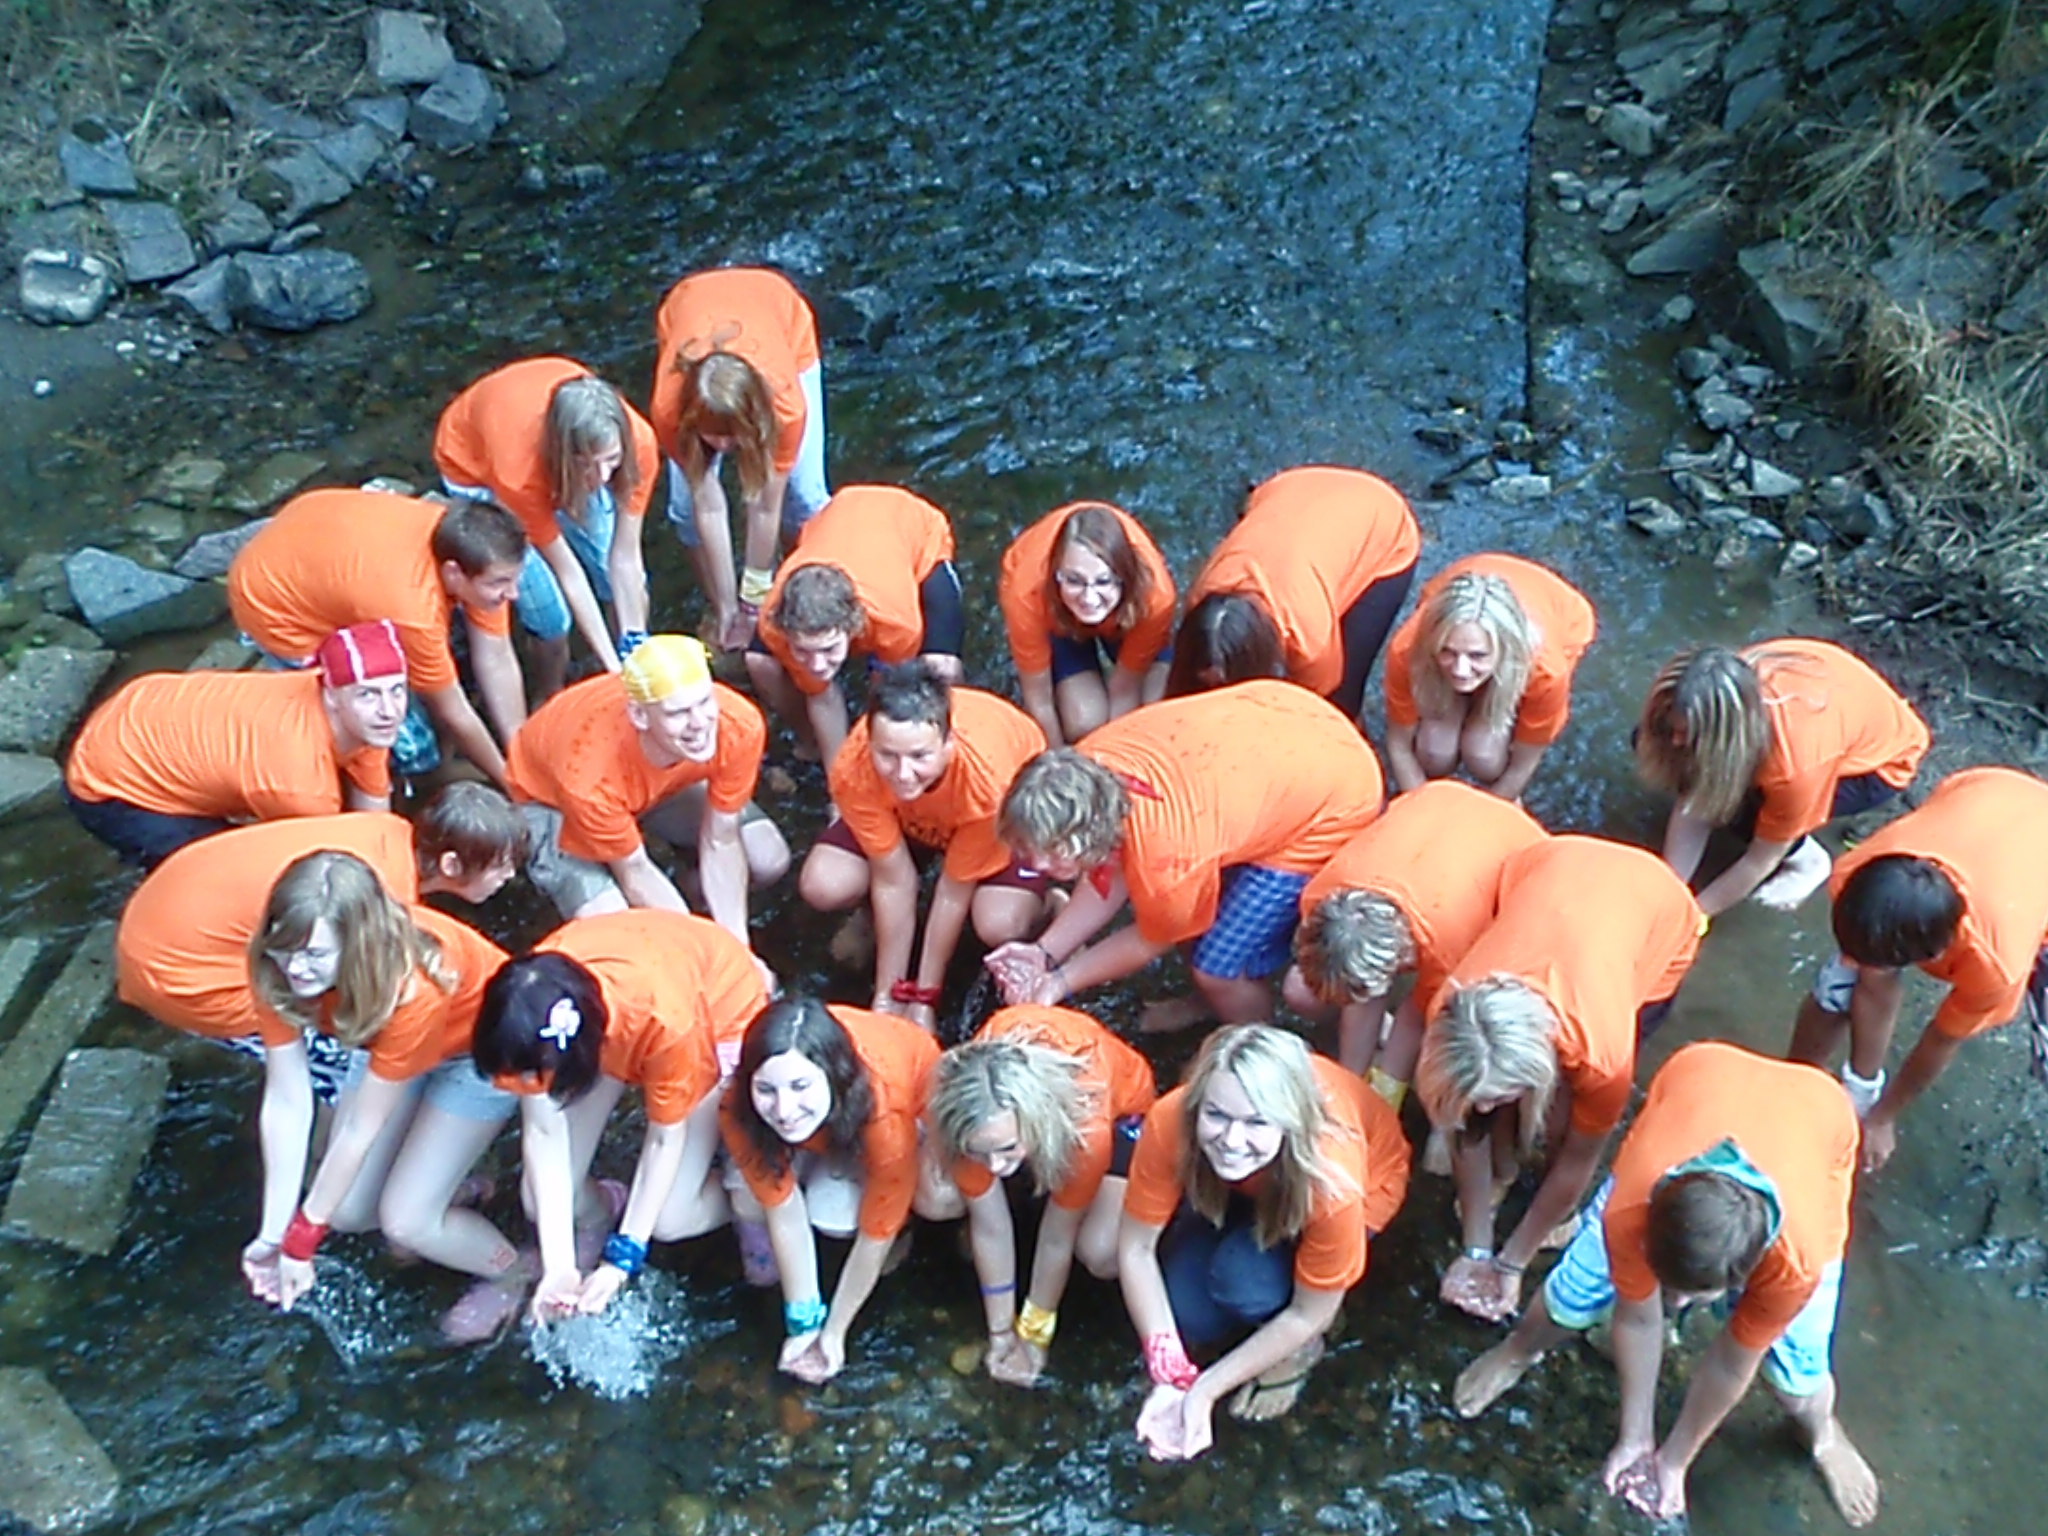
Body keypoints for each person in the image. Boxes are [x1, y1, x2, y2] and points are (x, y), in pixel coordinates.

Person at [1451, 1042, 1879, 1528]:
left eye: (1689, 1296)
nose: (1672, 1303)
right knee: (1570, 1297)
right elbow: (1638, 1316)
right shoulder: (1633, 1206)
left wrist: (1676, 1460)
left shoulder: (1795, 1263)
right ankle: (1518, 1350)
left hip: (1822, 1117)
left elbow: (1732, 1362)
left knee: (1797, 1378)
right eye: (1667, 1287)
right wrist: (1635, 1437)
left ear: (1746, 1278)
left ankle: (1823, 1433)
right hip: (1700, 1074)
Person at [1416, 834, 1702, 1324]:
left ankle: (1549, 1206)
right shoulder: (1451, 1008)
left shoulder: (1603, 1056)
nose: (1482, 1108)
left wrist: (1513, 1263)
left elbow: (1578, 1160)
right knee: (1485, 1113)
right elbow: (1468, 1125)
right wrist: (1477, 1249)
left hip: (1660, 908)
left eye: (1497, 1095)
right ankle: (1502, 1169)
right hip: (1550, 864)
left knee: (1566, 1127)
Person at [245, 854, 532, 1343]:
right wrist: (273, 1235)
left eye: (315, 955)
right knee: (348, 1212)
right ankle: (454, 1185)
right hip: (383, 1040)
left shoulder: (412, 984)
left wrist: (301, 1241)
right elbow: (288, 1099)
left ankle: (514, 1273)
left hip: (480, 1052)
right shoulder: (276, 965)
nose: (295, 968)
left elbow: (362, 1129)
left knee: (406, 1224)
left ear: (359, 945)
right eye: (284, 950)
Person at [988, 679, 1383, 1034]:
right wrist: (1044, 952)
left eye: (1051, 854)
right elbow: (1109, 870)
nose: (1037, 867)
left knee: (1216, 968)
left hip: (1335, 803)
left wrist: (1058, 983)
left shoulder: (1168, 867)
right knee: (1190, 914)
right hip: (1296, 719)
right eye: (1028, 851)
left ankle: (1257, 1038)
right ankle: (1208, 1003)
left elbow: (1150, 940)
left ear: (1087, 836)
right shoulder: (1089, 765)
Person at [1118, 1025, 1409, 1459]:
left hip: (1349, 1186)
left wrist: (1204, 1391)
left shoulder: (1333, 1184)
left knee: (1242, 1282)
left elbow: (1308, 1313)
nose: (1232, 1140)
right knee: (1187, 1318)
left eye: (1257, 1122)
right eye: (1217, 1115)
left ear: (1291, 1121)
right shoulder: (1172, 1119)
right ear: (1198, 1102)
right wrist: (1169, 1371)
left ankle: (1300, 1353)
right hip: (1245, 1183)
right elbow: (1136, 1248)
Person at [472, 909, 770, 1323]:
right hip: (618, 1006)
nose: (522, 1085)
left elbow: (664, 1138)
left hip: (719, 1014)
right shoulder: (527, 1011)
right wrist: (560, 1267)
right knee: (541, 1202)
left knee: (669, 1219)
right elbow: (544, 1132)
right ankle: (603, 1212)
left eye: (532, 1078)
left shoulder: (667, 1025)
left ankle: (749, 1201)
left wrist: (623, 1258)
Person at [116, 790, 524, 1073]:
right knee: (341, 1061)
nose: (508, 877)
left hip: (156, 918)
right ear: (451, 866)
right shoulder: (381, 899)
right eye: (501, 867)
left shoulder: (385, 831)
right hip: (180, 975)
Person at [1787, 765, 2048, 1172]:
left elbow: (1942, 1038)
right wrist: (1862, 1086)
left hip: (2019, 850)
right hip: (1987, 788)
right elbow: (1871, 982)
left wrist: (1882, 1117)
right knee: (1838, 985)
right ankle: (1794, 1080)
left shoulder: (1994, 964)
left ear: (1939, 952)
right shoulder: (1856, 873)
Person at [799, 663, 1049, 1030]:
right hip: (914, 816)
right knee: (824, 883)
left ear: (949, 745)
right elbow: (894, 878)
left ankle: (1051, 907)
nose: (903, 773)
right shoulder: (855, 766)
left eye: (919, 756)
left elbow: (953, 889)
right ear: (869, 742)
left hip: (991, 814)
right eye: (888, 755)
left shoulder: (987, 784)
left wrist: (924, 998)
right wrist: (888, 997)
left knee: (999, 923)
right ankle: (871, 917)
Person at [228, 487, 530, 786]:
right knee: (406, 739)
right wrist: (510, 783)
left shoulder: (474, 548)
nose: (513, 593)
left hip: (318, 537)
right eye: (500, 583)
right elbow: (453, 712)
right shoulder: (415, 612)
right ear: (454, 573)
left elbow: (496, 656)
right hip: (275, 604)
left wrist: (521, 756)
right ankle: (409, 778)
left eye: (514, 579)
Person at [921, 1003, 1157, 1386]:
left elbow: (1057, 1237)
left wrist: (1033, 1336)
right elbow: (991, 1226)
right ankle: (1018, 1181)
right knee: (937, 1194)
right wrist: (1000, 1333)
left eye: (1006, 1150)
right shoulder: (960, 1110)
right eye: (980, 1153)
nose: (994, 1165)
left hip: (1124, 1116)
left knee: (1099, 1249)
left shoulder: (1088, 1131)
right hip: (1020, 1125)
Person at [506, 633, 790, 946]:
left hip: (652, 786)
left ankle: (692, 897)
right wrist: (706, 953)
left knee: (767, 857)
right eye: (678, 713)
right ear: (640, 715)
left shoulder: (738, 723)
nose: (700, 723)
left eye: (705, 701)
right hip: (552, 802)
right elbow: (634, 870)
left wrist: (737, 948)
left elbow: (721, 837)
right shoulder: (588, 776)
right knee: (614, 919)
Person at [64, 620, 408, 869]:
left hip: (147, 714)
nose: (389, 710)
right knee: (224, 869)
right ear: (331, 696)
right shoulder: (302, 786)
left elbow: (373, 820)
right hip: (112, 783)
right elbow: (326, 866)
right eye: (368, 695)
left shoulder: (367, 717)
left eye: (397, 690)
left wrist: (383, 856)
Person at [720, 996, 940, 1384]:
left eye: (799, 1087)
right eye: (766, 1090)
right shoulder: (735, 1105)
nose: (784, 1109)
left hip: (890, 1113)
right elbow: (784, 1211)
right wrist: (803, 1327)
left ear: (832, 1075)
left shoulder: (885, 1117)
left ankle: (908, 1230)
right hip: (824, 1125)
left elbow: (874, 1235)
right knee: (751, 1201)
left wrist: (834, 1334)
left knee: (834, 1218)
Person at [1284, 780, 1548, 1091]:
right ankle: (1354, 1072)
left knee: (1443, 1039)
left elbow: (1415, 1016)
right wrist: (1352, 1081)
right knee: (1301, 992)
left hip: (1519, 846)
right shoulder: (1322, 896)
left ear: (1400, 956)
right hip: (1440, 808)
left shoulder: (1447, 942)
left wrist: (1385, 1094)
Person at [1635, 637, 1929, 916]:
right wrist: (1669, 890)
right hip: (1836, 706)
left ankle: (1808, 862)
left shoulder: (1791, 768)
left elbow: (1759, 860)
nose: (1676, 740)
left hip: (1881, 765)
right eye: (1675, 728)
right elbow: (1693, 799)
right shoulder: (1715, 688)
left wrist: (1693, 917)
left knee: (1739, 809)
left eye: (1688, 733)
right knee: (1656, 745)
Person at [434, 356, 663, 684]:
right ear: (567, 454)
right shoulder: (519, 475)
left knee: (609, 569)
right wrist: (614, 671)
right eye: (587, 464)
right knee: (550, 615)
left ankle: (621, 650)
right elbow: (568, 571)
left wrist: (635, 648)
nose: (602, 477)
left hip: (547, 456)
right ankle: (550, 690)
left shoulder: (640, 445)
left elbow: (625, 557)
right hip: (474, 468)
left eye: (611, 461)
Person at [651, 267, 828, 650]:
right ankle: (718, 605)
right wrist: (730, 608)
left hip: (779, 313)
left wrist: (753, 600)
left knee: (805, 500)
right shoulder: (669, 411)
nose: (725, 446)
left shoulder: (786, 410)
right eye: (714, 435)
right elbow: (709, 505)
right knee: (685, 511)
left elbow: (764, 505)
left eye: (734, 436)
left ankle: (804, 596)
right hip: (687, 303)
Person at [1169, 466, 1420, 724]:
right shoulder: (1202, 598)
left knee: (1340, 702)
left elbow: (1314, 711)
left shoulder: (1309, 643)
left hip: (1381, 523)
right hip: (1285, 490)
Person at [746, 484, 963, 768]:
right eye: (803, 651)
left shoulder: (895, 623)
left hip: (911, 526)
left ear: (852, 625)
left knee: (941, 668)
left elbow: (888, 693)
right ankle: (809, 741)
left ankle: (950, 749)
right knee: (760, 662)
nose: (817, 664)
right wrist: (839, 779)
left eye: (829, 649)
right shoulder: (774, 623)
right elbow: (821, 695)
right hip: (839, 517)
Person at [1380, 553, 1595, 800]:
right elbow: (1399, 744)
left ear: (1505, 649)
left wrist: (1490, 812)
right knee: (1435, 754)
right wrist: (1420, 807)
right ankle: (1466, 688)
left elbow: (1523, 764)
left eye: (1477, 655)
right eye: (1447, 651)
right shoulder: (1408, 650)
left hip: (1564, 615)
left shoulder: (1546, 672)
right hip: (1466, 573)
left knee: (1484, 757)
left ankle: (1488, 698)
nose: (1460, 670)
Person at [997, 501, 1177, 746]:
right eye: (1074, 580)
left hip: (1124, 610)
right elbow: (1039, 699)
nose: (1089, 599)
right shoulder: (1026, 594)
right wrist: (1058, 761)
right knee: (1084, 723)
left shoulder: (1154, 595)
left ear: (1124, 577)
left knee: (1157, 709)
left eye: (1103, 581)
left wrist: (1116, 753)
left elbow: (1125, 687)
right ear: (1056, 574)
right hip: (1057, 614)